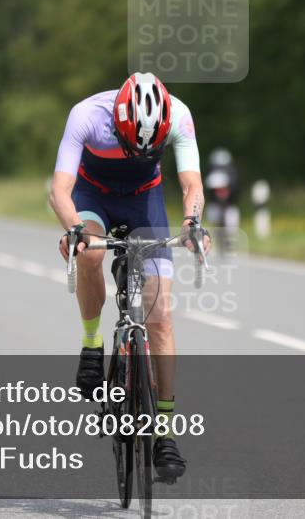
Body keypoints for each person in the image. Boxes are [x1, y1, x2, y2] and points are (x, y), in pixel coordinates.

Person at [50, 72, 210, 481]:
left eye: (148, 149)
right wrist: (74, 229)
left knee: (161, 317)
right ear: (118, 123)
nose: (138, 153)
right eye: (130, 145)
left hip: (144, 201)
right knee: (90, 252)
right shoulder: (87, 115)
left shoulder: (178, 116)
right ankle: (92, 343)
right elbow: (60, 190)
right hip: (93, 196)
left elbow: (191, 184)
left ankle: (165, 433)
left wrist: (192, 223)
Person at [203, 148, 240, 251]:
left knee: (231, 222)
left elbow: (236, 191)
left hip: (228, 205)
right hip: (215, 205)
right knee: (216, 219)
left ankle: (227, 241)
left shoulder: (232, 177)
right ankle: (221, 239)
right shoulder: (211, 176)